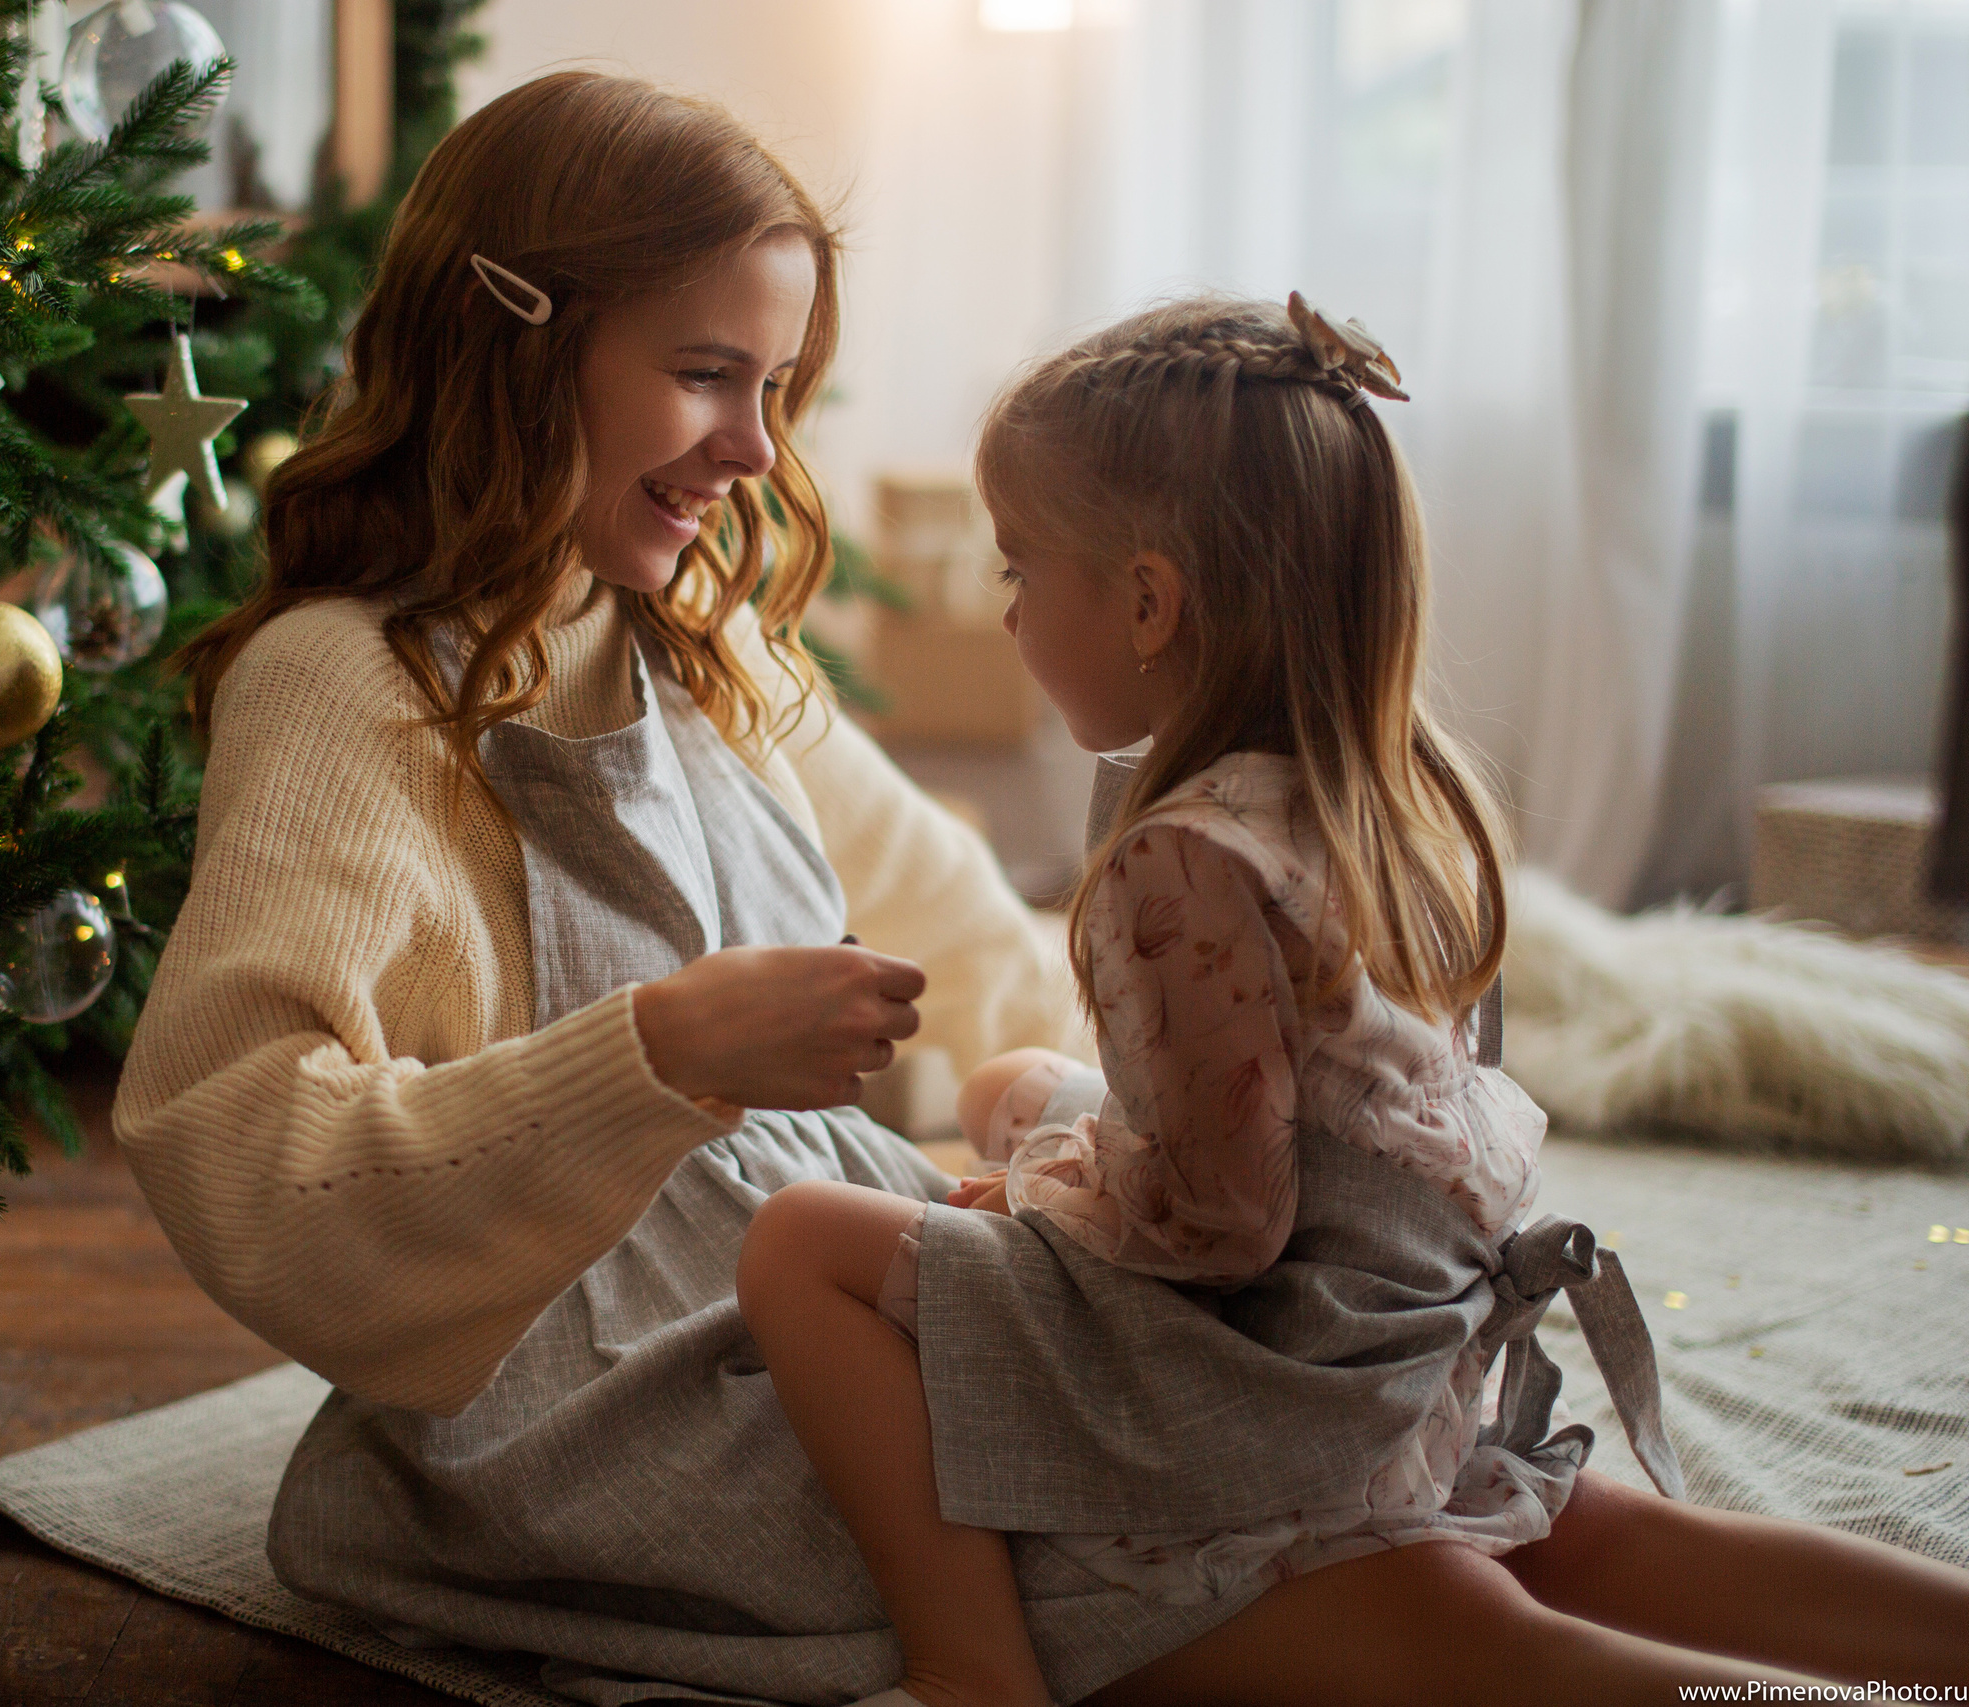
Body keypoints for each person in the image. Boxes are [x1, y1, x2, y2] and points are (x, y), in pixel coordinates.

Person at [734, 294, 1969, 1707]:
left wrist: (1035, 1199)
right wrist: (1049, 1137)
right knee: (1611, 1543)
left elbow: (1218, 1226)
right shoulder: (1396, 793)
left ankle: (972, 1670)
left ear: (1147, 600)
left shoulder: (1178, 860)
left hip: (1285, 1380)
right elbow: (1302, 1125)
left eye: (1020, 571)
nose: (1008, 613)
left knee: (802, 1240)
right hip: (1410, 1326)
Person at [117, 70, 1136, 1705]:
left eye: (778, 384)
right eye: (705, 375)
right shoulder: (345, 689)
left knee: (1224, 1396)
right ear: (518, 344)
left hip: (801, 1281)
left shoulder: (679, 625)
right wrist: (655, 1056)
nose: (752, 447)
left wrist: (1113, 1111)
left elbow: (923, 879)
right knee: (1130, 1526)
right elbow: (236, 1148)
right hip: (573, 1392)